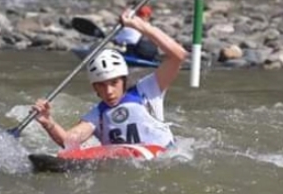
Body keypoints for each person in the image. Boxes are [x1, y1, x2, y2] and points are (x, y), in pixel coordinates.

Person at [31, 9, 187, 149]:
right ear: (95, 88)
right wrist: (48, 122)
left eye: (114, 83)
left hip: (165, 154)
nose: (109, 91)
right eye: (101, 85)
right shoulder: (97, 115)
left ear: (124, 81)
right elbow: (68, 141)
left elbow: (178, 55)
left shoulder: (148, 90)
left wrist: (141, 26)